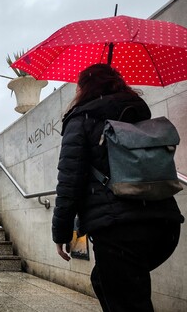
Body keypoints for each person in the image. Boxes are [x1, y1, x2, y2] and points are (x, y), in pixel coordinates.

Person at [52, 64, 184, 312]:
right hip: (165, 224)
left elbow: (69, 181)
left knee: (128, 302)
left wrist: (61, 232)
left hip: (119, 230)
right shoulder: (137, 112)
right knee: (104, 281)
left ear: (83, 88)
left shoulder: (80, 119)